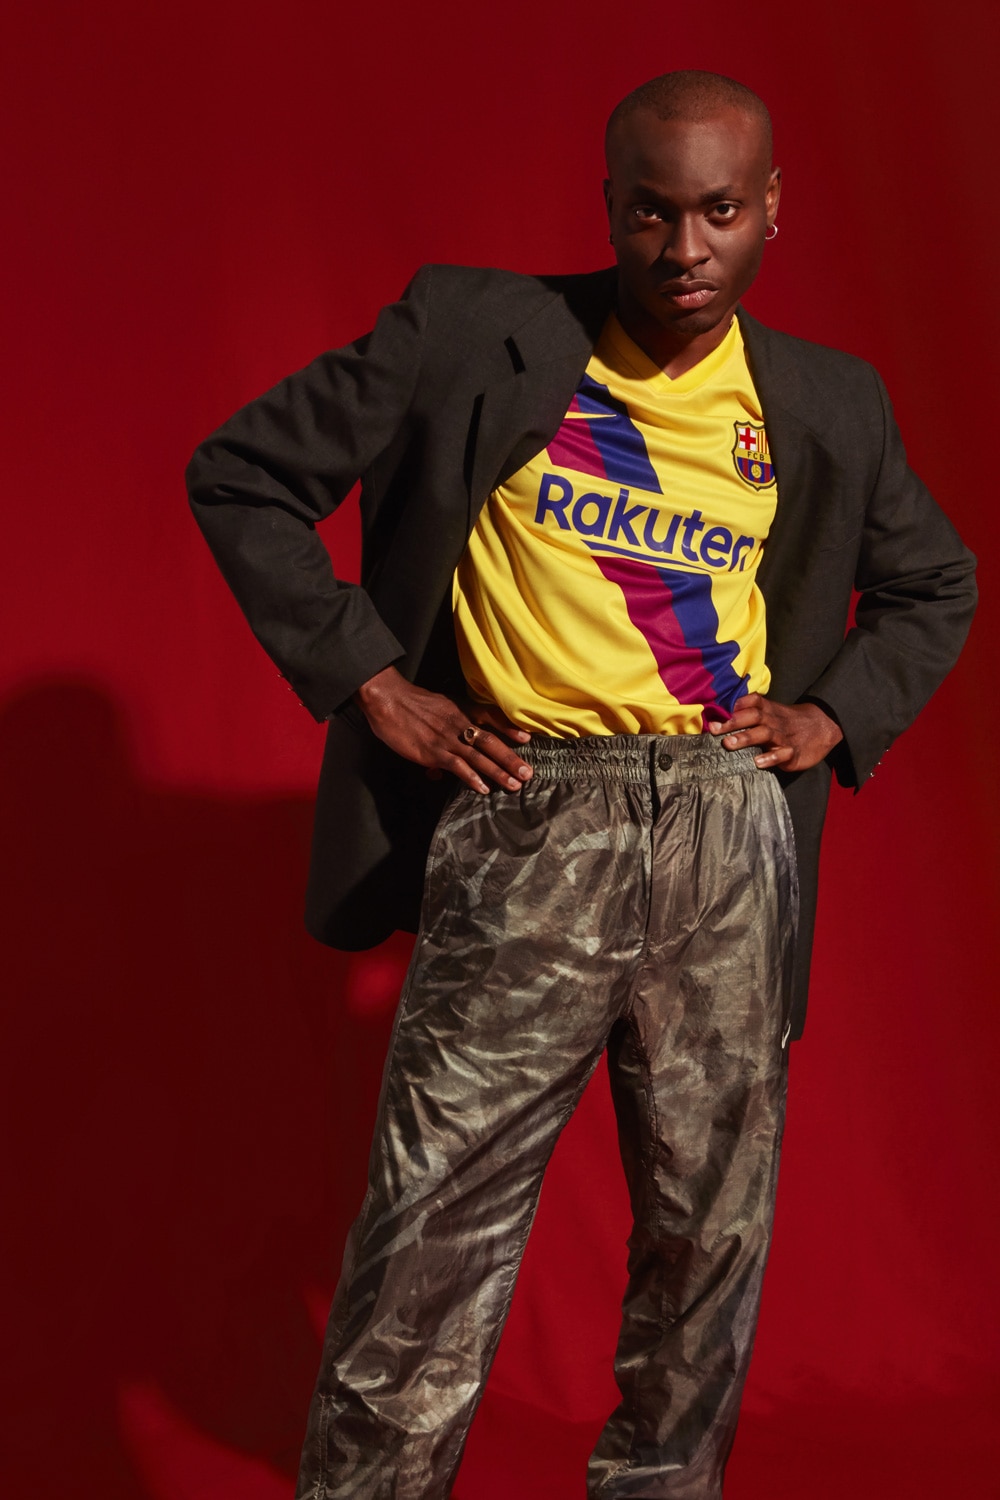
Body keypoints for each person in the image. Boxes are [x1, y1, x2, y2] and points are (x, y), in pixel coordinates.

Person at [187, 70, 976, 1500]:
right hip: (534, 814)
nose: (686, 250)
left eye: (720, 212)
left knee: (706, 1244)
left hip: (727, 830)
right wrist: (373, 682)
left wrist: (829, 717)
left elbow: (935, 584)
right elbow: (243, 473)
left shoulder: (824, 401)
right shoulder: (470, 330)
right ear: (608, 207)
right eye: (653, 213)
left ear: (772, 210)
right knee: (430, 1241)